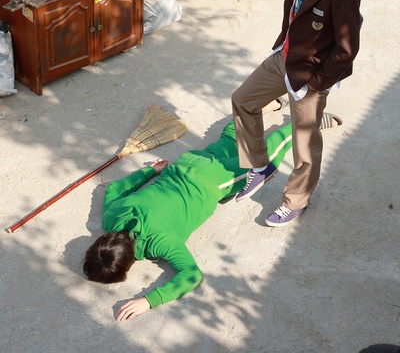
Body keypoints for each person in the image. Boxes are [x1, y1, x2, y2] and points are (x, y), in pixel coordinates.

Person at [83, 107, 339, 320]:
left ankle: (304, 123)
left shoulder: (159, 243)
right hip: (187, 163)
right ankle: (260, 106)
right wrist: (151, 171)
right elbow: (114, 189)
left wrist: (150, 300)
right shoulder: (112, 217)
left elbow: (191, 275)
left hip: (212, 181)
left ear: (130, 263)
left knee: (263, 162)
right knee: (229, 143)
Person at [232, 0, 361, 227]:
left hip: (311, 74)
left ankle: (296, 201)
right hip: (286, 56)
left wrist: (317, 84)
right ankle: (260, 166)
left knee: (304, 143)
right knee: (243, 100)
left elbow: (347, 49)